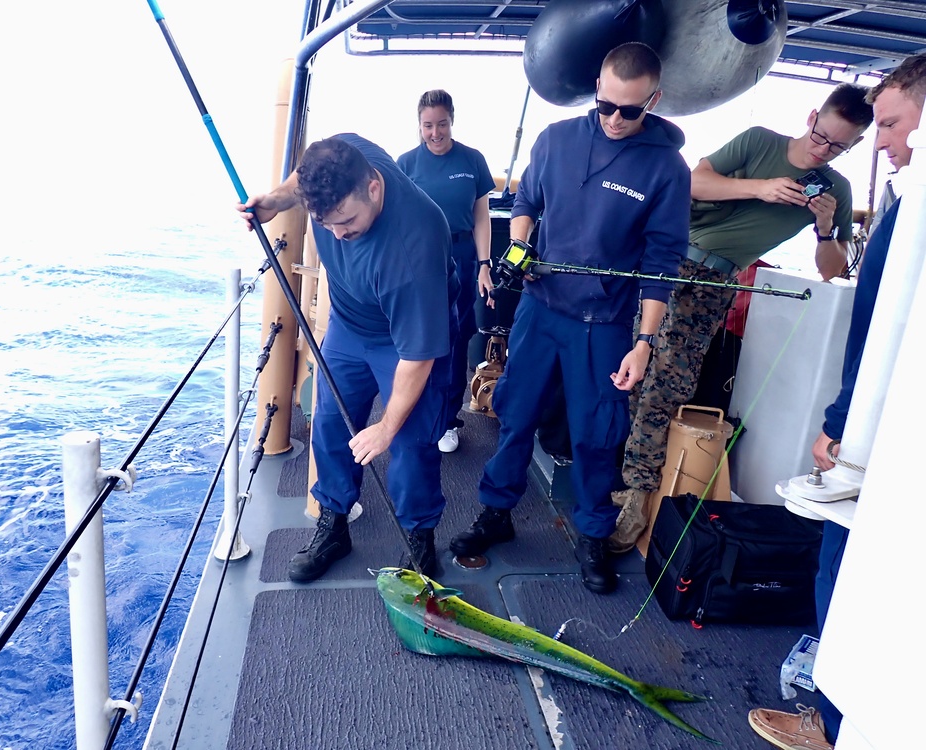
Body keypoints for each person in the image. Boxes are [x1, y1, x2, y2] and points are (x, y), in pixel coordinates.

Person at [448, 42, 690, 595]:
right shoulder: (555, 140)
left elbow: (661, 262)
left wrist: (644, 342)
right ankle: (495, 513)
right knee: (515, 413)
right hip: (540, 309)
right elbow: (527, 201)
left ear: (653, 101)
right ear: (595, 93)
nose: (614, 119)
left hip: (604, 325)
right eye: (605, 105)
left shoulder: (666, 169)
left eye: (629, 110)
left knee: (597, 434)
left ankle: (592, 535)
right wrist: (520, 245)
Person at [610, 82, 875, 552]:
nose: (823, 151)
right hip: (670, 261)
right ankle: (628, 479)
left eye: (838, 147)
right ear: (812, 116)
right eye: (821, 136)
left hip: (717, 283)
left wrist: (825, 227)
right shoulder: (760, 141)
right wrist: (761, 189)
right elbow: (694, 180)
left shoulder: (835, 189)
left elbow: (831, 270)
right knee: (637, 371)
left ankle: (636, 494)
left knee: (669, 384)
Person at [748, 52, 926, 750]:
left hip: (879, 434)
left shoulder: (909, 208)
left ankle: (829, 721)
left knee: (844, 562)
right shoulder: (900, 200)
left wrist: (838, 427)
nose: (878, 143)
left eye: (888, 126)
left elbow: (877, 332)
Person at [238, 134, 454, 581]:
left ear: (373, 187)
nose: (338, 235)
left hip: (404, 341)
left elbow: (418, 359)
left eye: (347, 221)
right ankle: (334, 524)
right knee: (331, 422)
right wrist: (275, 200)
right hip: (348, 327)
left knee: (412, 441)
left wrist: (385, 428)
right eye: (327, 223)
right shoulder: (341, 163)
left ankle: (419, 535)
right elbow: (303, 178)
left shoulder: (416, 244)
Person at [398, 89, 496, 454]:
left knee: (454, 343)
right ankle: (414, 410)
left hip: (463, 255)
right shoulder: (405, 164)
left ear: (451, 121)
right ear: (419, 125)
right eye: (427, 125)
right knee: (418, 339)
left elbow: (481, 216)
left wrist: (484, 265)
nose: (435, 132)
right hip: (420, 260)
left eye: (441, 124)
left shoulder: (472, 160)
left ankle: (449, 419)